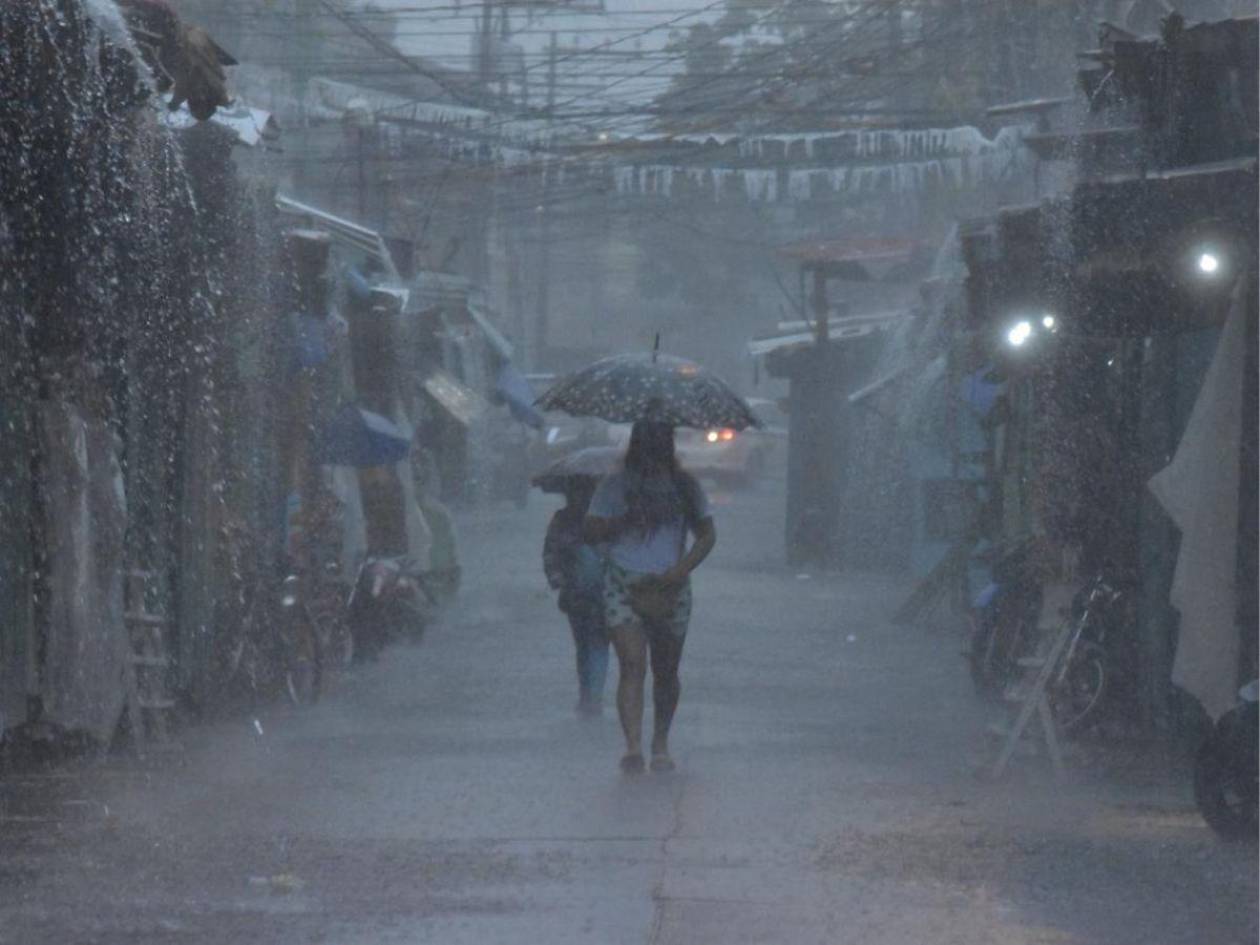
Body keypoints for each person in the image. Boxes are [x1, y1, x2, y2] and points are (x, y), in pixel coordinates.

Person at [585, 421, 716, 774]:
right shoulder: (615, 485)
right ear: (636, 446)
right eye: (648, 443)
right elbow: (591, 528)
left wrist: (682, 569)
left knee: (666, 669)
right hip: (623, 582)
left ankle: (660, 742)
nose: (654, 450)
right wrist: (624, 519)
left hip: (671, 586)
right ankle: (632, 746)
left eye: (661, 443)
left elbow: (706, 535)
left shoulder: (685, 487)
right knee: (631, 664)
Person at [543, 478, 609, 716]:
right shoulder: (563, 520)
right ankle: (589, 695)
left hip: (599, 595)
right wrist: (559, 582)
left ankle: (592, 697)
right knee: (587, 645)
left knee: (594, 644)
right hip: (579, 596)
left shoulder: (604, 518)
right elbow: (550, 554)